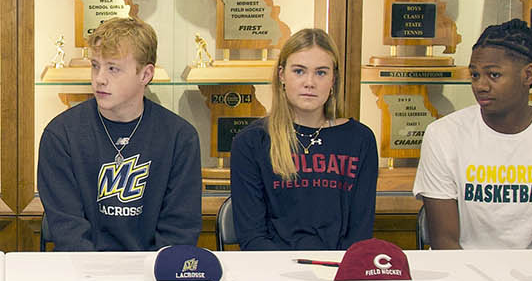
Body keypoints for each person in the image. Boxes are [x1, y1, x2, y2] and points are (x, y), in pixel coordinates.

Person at [414, 19, 532, 250]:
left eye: (493, 75)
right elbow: (444, 242)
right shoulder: (443, 135)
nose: (480, 86)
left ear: (528, 75)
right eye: (475, 75)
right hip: (462, 270)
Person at [36, 17, 201, 251]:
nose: (99, 79)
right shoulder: (61, 135)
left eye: (113, 68)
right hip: (83, 267)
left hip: (154, 269)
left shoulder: (180, 138)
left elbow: (179, 233)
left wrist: (147, 273)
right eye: (95, 66)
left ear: (145, 75)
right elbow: (69, 233)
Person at [230, 28, 377, 250]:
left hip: (340, 266)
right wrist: (293, 267)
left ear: (333, 79)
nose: (310, 82)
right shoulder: (251, 142)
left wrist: (333, 267)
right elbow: (252, 237)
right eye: (299, 71)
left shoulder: (360, 140)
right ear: (282, 75)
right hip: (273, 267)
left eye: (321, 73)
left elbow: (360, 234)